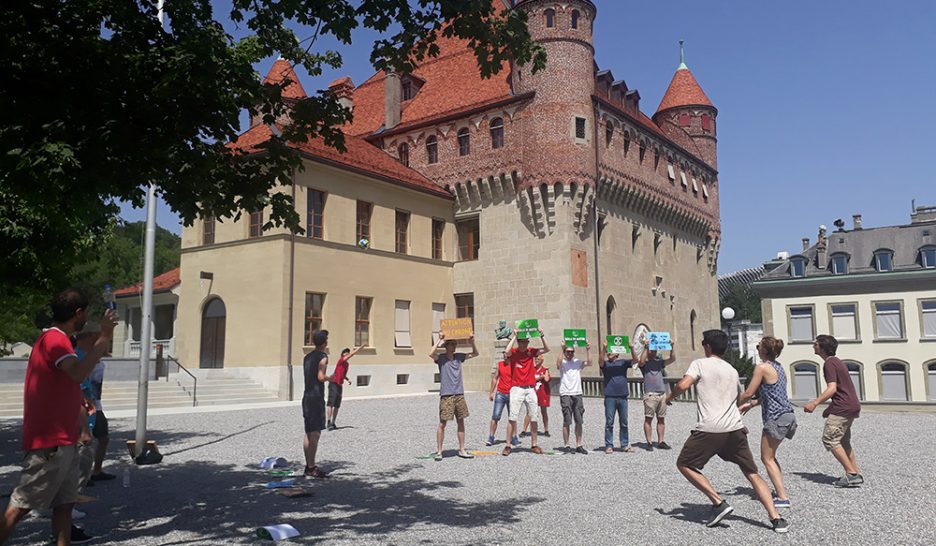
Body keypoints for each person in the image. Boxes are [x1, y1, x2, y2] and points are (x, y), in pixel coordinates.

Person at [0, 289, 116, 546]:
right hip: (51, 441)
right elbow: (77, 374)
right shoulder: (56, 340)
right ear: (78, 313)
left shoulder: (58, 340)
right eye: (84, 311)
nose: (86, 316)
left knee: (64, 504)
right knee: (21, 505)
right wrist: (104, 338)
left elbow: (70, 385)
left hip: (64, 438)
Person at [666, 330, 789, 534]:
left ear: (707, 346)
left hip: (710, 429)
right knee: (752, 472)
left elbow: (683, 384)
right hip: (735, 428)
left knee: (684, 464)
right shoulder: (732, 370)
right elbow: (739, 398)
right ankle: (776, 518)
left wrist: (670, 397)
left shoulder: (699, 364)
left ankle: (718, 502)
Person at [738, 336, 797, 508]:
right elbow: (771, 395)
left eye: (758, 346)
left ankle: (782, 497)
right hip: (788, 415)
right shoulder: (779, 368)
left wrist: (731, 404)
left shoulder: (762, 368)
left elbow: (749, 392)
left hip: (776, 417)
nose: (757, 348)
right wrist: (751, 405)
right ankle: (780, 491)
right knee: (771, 457)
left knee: (766, 458)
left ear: (764, 350)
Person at [803, 335, 863, 488]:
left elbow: (832, 388)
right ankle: (854, 471)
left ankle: (851, 474)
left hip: (843, 407)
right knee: (843, 441)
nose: (813, 345)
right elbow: (842, 390)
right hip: (850, 405)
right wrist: (829, 408)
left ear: (822, 347)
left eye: (815, 343)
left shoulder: (829, 363)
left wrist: (815, 403)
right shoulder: (837, 362)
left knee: (830, 439)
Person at [429, 334, 479, 460]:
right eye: (452, 344)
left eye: (455, 344)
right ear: (446, 346)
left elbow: (475, 353)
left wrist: (472, 342)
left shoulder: (459, 357)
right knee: (442, 423)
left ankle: (462, 449)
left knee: (461, 421)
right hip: (447, 395)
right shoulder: (441, 358)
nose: (454, 346)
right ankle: (439, 451)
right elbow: (430, 353)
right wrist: (440, 340)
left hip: (459, 394)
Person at [502, 328, 550, 456]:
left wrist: (542, 335)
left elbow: (546, 349)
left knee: (534, 416)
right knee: (512, 417)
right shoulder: (514, 352)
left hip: (530, 388)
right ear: (518, 342)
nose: (524, 344)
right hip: (517, 387)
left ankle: (534, 444)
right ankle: (508, 445)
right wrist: (514, 336)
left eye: (526, 342)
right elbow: (506, 351)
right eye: (522, 342)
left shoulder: (531, 352)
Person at [302, 330, 332, 478]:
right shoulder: (323, 357)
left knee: (308, 432)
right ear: (324, 343)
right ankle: (312, 467)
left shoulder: (307, 357)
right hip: (316, 397)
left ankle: (308, 465)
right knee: (315, 433)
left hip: (307, 396)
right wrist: (330, 378)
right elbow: (320, 377)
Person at [638, 338, 676, 450]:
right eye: (651, 350)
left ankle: (661, 441)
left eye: (654, 350)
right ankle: (649, 442)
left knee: (661, 419)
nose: (653, 352)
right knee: (648, 418)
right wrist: (646, 347)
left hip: (661, 394)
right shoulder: (644, 364)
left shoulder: (659, 363)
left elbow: (672, 359)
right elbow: (640, 361)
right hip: (650, 394)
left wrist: (672, 346)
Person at [599, 341, 635, 454]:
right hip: (610, 396)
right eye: (609, 352)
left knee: (624, 422)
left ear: (617, 354)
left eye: (611, 351)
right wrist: (604, 349)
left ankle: (624, 444)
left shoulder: (623, 363)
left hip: (623, 396)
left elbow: (636, 361)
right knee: (609, 422)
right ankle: (609, 445)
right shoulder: (606, 364)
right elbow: (600, 362)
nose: (610, 353)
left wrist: (632, 348)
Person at [557, 343, 591, 454]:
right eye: (568, 351)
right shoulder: (563, 362)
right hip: (566, 393)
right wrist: (561, 349)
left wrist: (588, 350)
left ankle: (578, 444)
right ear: (565, 352)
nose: (570, 353)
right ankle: (566, 445)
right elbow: (557, 364)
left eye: (572, 352)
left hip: (577, 393)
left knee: (579, 420)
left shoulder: (577, 362)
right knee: (567, 420)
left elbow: (590, 363)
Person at [326, 346, 362, 431]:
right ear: (343, 354)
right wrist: (357, 350)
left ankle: (333, 422)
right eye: (346, 352)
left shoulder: (347, 364)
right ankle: (328, 422)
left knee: (337, 405)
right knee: (331, 403)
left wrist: (347, 379)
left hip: (339, 384)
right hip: (333, 382)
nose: (347, 354)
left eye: (348, 352)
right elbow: (351, 355)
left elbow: (342, 373)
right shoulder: (341, 360)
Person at [487, 358, 520, 447]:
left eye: (507, 355)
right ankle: (491, 437)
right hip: (500, 393)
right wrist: (491, 392)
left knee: (513, 416)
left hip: (512, 393)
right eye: (504, 354)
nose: (505, 357)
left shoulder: (515, 365)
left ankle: (514, 437)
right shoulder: (500, 365)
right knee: (495, 416)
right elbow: (495, 378)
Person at [521, 354, 551, 437]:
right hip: (532, 393)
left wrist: (546, 372)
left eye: (538, 359)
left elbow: (547, 379)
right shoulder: (531, 369)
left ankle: (546, 430)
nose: (536, 361)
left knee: (543, 411)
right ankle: (524, 430)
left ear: (541, 361)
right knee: (529, 411)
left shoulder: (544, 370)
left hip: (542, 393)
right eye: (535, 359)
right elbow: (529, 379)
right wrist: (539, 377)